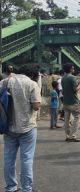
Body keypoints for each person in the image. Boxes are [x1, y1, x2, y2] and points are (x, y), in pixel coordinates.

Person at [1, 64, 41, 192]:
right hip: (27, 127)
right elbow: (36, 106)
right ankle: (26, 188)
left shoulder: (5, 81)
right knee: (26, 159)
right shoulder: (32, 84)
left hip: (9, 126)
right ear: (34, 74)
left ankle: (11, 187)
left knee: (8, 159)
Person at [61, 63, 80, 142]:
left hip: (66, 102)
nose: (74, 69)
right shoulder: (72, 78)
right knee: (77, 117)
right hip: (73, 101)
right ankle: (72, 135)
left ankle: (67, 135)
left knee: (66, 119)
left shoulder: (63, 78)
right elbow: (75, 89)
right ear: (70, 69)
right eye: (73, 68)